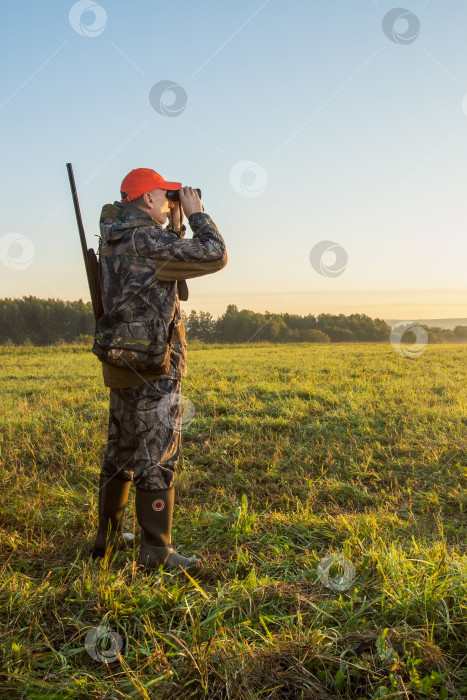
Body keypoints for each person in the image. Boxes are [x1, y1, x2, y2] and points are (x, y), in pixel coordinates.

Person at [90, 167, 227, 571]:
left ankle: (108, 537)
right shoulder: (149, 238)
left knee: (122, 449)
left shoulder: (115, 236)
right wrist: (198, 214)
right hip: (154, 365)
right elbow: (215, 254)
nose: (171, 205)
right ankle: (156, 549)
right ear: (147, 198)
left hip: (121, 360)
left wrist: (176, 228)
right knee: (159, 454)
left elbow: (164, 269)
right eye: (165, 198)